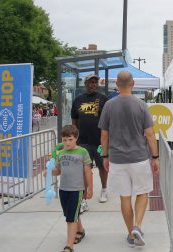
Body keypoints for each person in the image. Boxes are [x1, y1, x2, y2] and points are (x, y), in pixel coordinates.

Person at [98, 71, 159, 248]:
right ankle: (137, 227)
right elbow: (150, 134)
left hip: (117, 160)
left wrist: (105, 156)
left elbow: (103, 135)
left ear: (117, 84)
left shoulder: (109, 105)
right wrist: (155, 157)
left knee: (125, 197)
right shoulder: (141, 105)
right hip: (139, 158)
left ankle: (130, 235)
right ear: (132, 84)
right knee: (142, 192)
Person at [44, 125, 93, 252]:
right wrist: (49, 172)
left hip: (76, 190)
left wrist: (90, 189)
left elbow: (88, 172)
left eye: (70, 139)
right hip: (63, 189)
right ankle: (80, 231)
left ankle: (69, 246)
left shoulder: (82, 152)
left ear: (76, 138)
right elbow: (59, 170)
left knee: (70, 218)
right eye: (64, 140)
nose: (67, 142)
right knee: (71, 213)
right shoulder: (61, 153)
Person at [71, 73, 109, 208]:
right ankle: (83, 199)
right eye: (91, 82)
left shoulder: (104, 99)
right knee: (84, 170)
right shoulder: (77, 100)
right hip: (83, 142)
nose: (93, 84)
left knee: (102, 167)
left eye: (95, 82)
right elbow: (74, 120)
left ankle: (104, 189)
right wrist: (73, 138)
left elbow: (108, 120)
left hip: (100, 142)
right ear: (85, 84)